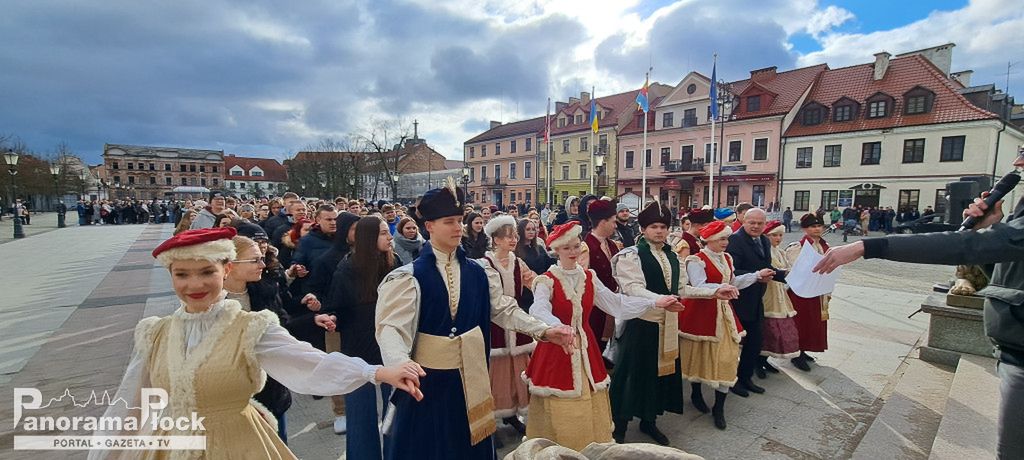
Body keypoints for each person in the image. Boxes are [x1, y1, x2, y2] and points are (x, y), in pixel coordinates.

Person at [88, 227, 425, 460]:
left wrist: (377, 372)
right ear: (171, 276)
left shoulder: (249, 326)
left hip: (237, 444)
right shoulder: (155, 333)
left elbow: (306, 362)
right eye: (182, 274)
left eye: (206, 272)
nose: (195, 284)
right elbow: (129, 406)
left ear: (225, 270)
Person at [814, 153, 1024, 459]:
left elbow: (967, 247)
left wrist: (869, 246)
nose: (1017, 163)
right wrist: (991, 227)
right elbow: (1002, 270)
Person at [375, 183, 574, 460]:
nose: (458, 228)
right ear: (429, 226)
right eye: (449, 222)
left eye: (459, 221)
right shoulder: (408, 278)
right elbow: (391, 329)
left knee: (468, 446)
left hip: (471, 380)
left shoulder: (478, 271)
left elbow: (503, 309)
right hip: (427, 383)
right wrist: (399, 363)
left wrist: (543, 329)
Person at [525, 221, 681, 450]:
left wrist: (655, 301)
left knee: (589, 397)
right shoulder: (547, 280)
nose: (573, 252)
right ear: (556, 250)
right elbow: (538, 309)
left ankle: (584, 445)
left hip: (586, 348)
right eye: (567, 248)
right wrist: (558, 326)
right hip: (557, 347)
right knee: (559, 401)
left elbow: (616, 303)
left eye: (576, 246)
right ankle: (557, 447)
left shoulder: (589, 277)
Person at [610, 202, 737, 444]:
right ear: (644, 229)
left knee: (659, 376)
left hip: (667, 325)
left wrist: (713, 292)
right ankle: (620, 427)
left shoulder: (673, 257)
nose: (659, 231)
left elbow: (681, 289)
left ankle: (649, 421)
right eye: (654, 226)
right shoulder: (631, 255)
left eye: (663, 226)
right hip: (642, 323)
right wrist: (661, 300)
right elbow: (632, 288)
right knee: (631, 376)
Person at [679, 220, 772, 430]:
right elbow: (698, 286)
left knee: (728, 357)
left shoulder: (727, 258)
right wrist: (720, 288)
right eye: (722, 238)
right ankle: (696, 393)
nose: (726, 242)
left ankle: (719, 407)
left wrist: (756, 276)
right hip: (702, 314)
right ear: (709, 239)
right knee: (699, 355)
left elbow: (733, 282)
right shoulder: (696, 260)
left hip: (725, 313)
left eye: (727, 238)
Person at [327, 216, 399, 459]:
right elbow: (337, 308)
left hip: (392, 348)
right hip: (358, 351)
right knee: (360, 417)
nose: (390, 236)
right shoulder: (346, 269)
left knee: (395, 413)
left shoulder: (394, 262)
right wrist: (331, 318)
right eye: (382, 233)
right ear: (368, 238)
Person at [479, 215, 536, 438]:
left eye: (514, 235)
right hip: (496, 324)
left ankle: (512, 414)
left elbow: (532, 280)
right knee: (498, 373)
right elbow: (491, 300)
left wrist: (550, 285)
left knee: (518, 371)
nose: (513, 240)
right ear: (495, 240)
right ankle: (489, 421)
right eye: (507, 236)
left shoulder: (518, 262)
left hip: (517, 323)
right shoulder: (486, 264)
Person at [726, 208, 787, 397]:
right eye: (752, 222)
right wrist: (755, 276)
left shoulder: (763, 240)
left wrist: (784, 275)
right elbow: (732, 270)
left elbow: (766, 266)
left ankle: (745, 377)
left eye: (760, 223)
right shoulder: (735, 240)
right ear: (743, 221)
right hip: (738, 299)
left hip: (756, 298)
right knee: (734, 343)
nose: (756, 226)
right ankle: (731, 380)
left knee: (755, 341)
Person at [785, 213, 831, 371]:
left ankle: (805, 350)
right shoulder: (798, 247)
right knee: (801, 323)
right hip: (801, 292)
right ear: (805, 228)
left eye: (819, 226)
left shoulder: (825, 246)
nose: (817, 229)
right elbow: (792, 269)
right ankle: (797, 354)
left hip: (818, 291)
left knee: (814, 322)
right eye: (812, 226)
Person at [578, 199, 622, 353]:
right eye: (613, 221)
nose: (615, 225)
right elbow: (582, 279)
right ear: (603, 222)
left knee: (605, 336)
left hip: (610, 302)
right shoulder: (586, 246)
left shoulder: (612, 245)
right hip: (594, 306)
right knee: (593, 338)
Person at [760, 220, 800, 377]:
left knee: (777, 330)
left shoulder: (781, 252)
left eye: (780, 235)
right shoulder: (764, 251)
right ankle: (758, 361)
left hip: (780, 293)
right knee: (766, 328)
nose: (778, 238)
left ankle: (766, 359)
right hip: (768, 293)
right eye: (774, 235)